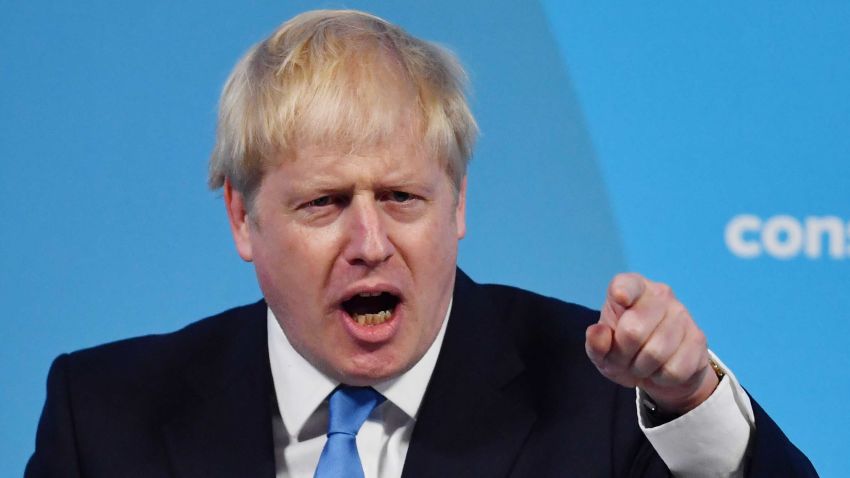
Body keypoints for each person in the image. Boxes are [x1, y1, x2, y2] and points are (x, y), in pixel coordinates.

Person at [26, 9, 816, 478]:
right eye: (325, 203)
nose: (370, 242)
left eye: (402, 197)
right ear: (241, 217)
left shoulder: (604, 399)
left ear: (459, 202)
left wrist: (691, 401)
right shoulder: (101, 418)